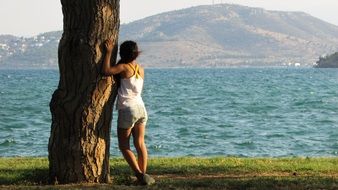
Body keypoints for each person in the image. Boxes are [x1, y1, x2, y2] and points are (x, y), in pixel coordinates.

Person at [102, 39, 155, 185]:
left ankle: (139, 175)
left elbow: (105, 71)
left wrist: (107, 53)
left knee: (124, 146)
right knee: (140, 143)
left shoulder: (123, 67)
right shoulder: (140, 69)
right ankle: (143, 175)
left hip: (128, 109)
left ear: (122, 53)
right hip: (141, 108)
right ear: (136, 53)